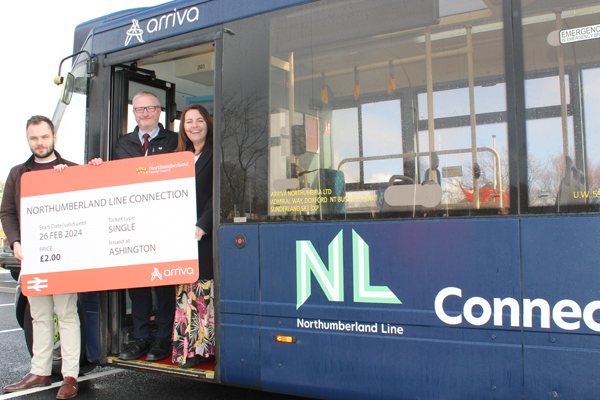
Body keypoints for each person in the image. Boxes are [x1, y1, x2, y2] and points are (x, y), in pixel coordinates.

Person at [1, 116, 101, 399]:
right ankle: (40, 371)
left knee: (67, 314)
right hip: (32, 257)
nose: (40, 143)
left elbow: (91, 200)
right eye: (34, 138)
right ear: (28, 140)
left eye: (44, 137)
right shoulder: (18, 173)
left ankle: (70, 375)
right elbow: (7, 211)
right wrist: (15, 242)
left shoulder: (69, 169)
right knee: (40, 315)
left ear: (54, 136)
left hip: (65, 257)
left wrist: (89, 171)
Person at [115, 91, 178, 362]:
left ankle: (163, 339)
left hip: (166, 224)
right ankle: (141, 338)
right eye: (139, 109)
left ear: (159, 111)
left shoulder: (176, 141)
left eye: (150, 108)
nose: (145, 113)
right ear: (134, 113)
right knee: (138, 284)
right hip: (134, 225)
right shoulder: (122, 144)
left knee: (164, 285)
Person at [171, 104, 214, 368]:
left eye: (199, 120)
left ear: (207, 124)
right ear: (183, 128)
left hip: (202, 235)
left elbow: (215, 193)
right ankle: (185, 349)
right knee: (184, 290)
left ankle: (201, 350)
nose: (194, 126)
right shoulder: (179, 156)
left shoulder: (215, 153)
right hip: (179, 236)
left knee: (200, 291)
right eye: (188, 122)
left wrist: (203, 223)